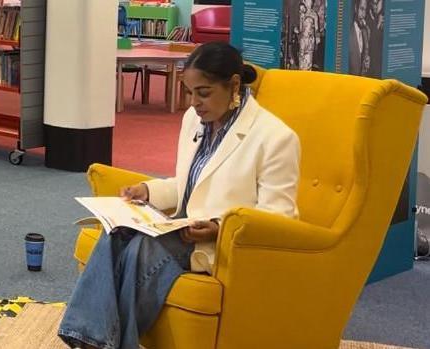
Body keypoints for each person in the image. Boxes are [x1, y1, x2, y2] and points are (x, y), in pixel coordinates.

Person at [58, 42, 301, 349]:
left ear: (234, 85)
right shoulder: (194, 120)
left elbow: (279, 218)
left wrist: (218, 227)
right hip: (179, 227)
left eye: (204, 92)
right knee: (117, 233)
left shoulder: (275, 138)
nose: (194, 102)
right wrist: (146, 191)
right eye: (189, 92)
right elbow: (185, 184)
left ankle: (93, 340)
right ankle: (89, 338)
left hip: (221, 246)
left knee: (141, 250)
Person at [349, 0, 371, 76]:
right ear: (356, 8)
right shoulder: (348, 31)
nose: (364, 15)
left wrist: (366, 63)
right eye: (361, 9)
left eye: (365, 10)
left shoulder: (366, 31)